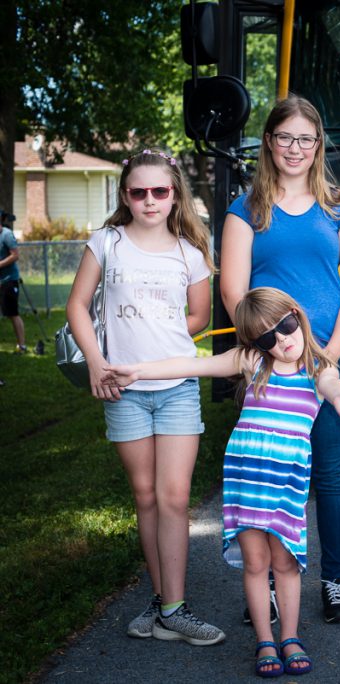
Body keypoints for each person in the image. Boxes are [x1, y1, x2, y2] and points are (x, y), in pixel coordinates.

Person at [102, 288, 340, 677]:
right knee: (257, 563)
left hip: (287, 482)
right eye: (266, 338)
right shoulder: (251, 361)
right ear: (254, 343)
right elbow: (191, 365)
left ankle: (290, 637)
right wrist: (139, 372)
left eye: (286, 326)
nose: (281, 341)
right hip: (246, 478)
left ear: (297, 315)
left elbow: (332, 385)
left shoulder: (318, 365)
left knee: (286, 563)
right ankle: (264, 640)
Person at [221, 95, 340, 624]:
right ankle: (265, 587)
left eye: (306, 138)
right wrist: (277, 349)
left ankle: (337, 582)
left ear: (318, 145)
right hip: (270, 362)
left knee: (331, 471)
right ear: (269, 141)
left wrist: (323, 356)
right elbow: (235, 292)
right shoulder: (247, 210)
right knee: (270, 472)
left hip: (333, 355)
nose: (295, 148)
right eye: (285, 137)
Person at [65, 149, 223, 645]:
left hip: (177, 388)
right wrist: (96, 361)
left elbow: (197, 317)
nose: (150, 200)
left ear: (175, 195)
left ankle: (174, 609)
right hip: (122, 391)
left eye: (160, 191)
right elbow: (76, 305)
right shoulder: (106, 243)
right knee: (147, 497)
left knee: (174, 498)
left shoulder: (190, 254)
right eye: (139, 192)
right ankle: (162, 603)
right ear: (125, 197)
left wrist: (163, 341)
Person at [0, 210, 27, 353]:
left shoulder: (6, 234)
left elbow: (15, 255)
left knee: (12, 313)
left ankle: (21, 345)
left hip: (9, 280)